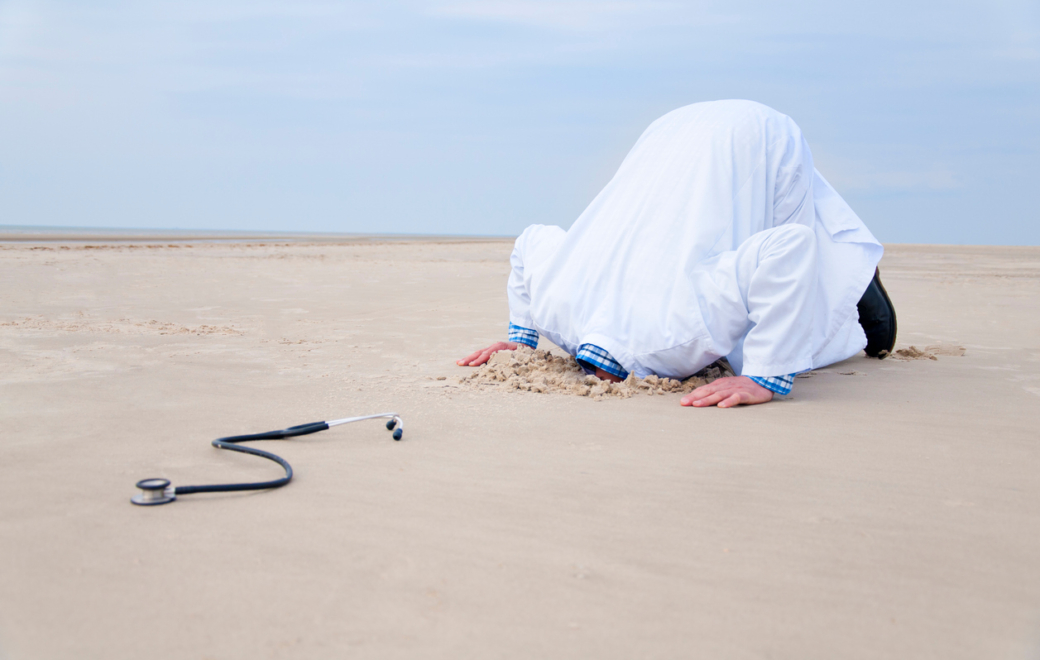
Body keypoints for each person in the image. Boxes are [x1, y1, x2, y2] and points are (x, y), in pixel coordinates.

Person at [457, 100, 897, 408]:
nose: (594, 379)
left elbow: (791, 245)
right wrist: (524, 339)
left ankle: (856, 274)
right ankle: (854, 260)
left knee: (783, 243)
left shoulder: (678, 332)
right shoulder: (559, 309)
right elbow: (532, 241)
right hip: (671, 129)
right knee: (741, 239)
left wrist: (766, 376)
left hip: (762, 133)